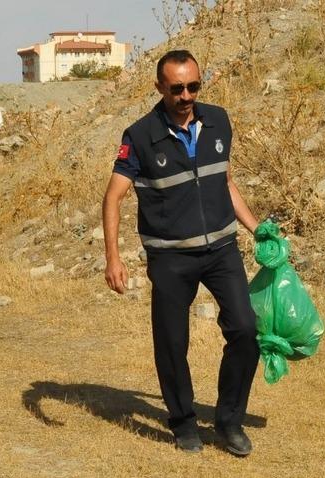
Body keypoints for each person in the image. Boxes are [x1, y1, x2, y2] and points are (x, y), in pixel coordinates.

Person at [102, 50, 260, 456]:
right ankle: (183, 423)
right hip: (171, 258)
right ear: (159, 87)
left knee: (246, 330)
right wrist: (113, 258)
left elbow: (224, 182)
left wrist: (257, 229)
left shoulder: (219, 120)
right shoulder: (139, 136)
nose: (186, 95)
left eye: (193, 86)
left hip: (221, 249)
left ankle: (229, 422)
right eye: (177, 88)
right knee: (172, 344)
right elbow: (113, 197)